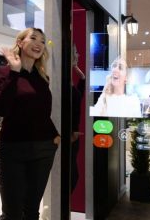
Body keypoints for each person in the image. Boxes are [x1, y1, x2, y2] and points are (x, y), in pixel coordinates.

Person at [0, 27, 61, 220]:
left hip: (42, 150)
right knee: (12, 214)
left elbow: (42, 114)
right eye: (33, 38)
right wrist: (14, 72)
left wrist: (55, 136)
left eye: (42, 41)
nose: (38, 44)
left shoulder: (42, 78)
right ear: (21, 43)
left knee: (31, 212)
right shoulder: (4, 72)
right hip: (12, 151)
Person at [70, 45, 85, 193]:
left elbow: (78, 97)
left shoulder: (70, 80)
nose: (78, 54)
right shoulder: (60, 80)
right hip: (69, 137)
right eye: (75, 52)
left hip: (73, 137)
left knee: (73, 177)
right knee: (72, 177)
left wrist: (81, 76)